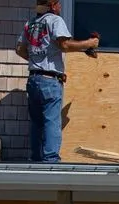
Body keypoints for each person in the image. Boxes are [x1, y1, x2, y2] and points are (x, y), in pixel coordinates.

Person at [15, 0, 100, 162]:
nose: (60, 6)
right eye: (59, 3)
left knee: (37, 123)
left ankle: (36, 159)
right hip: (49, 81)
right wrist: (90, 43)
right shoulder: (55, 20)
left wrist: (37, 61)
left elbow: (19, 49)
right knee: (52, 121)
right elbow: (65, 45)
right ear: (52, 6)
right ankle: (50, 160)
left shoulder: (30, 23)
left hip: (33, 79)